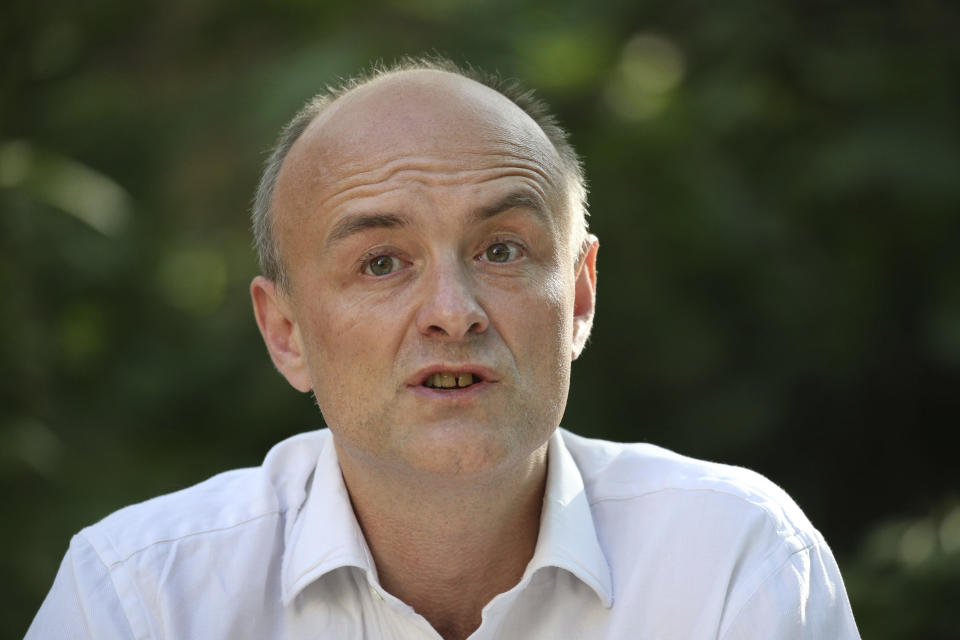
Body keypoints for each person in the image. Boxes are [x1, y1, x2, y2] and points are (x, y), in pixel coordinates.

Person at [27, 58, 861, 640]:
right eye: (381, 263)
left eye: (502, 250)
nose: (453, 314)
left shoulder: (732, 560)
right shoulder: (141, 602)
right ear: (287, 334)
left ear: (577, 295)